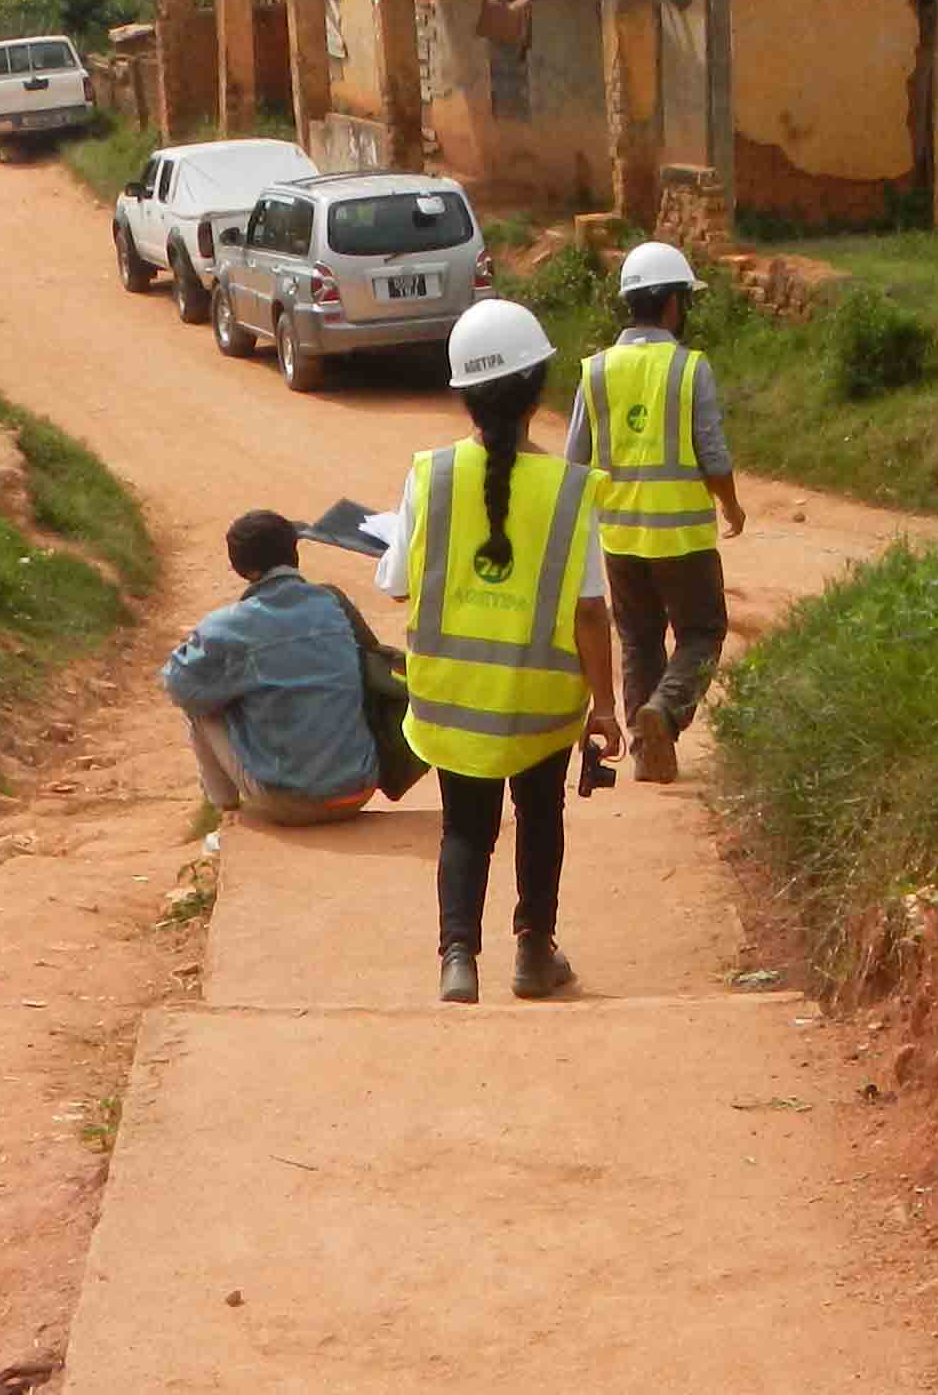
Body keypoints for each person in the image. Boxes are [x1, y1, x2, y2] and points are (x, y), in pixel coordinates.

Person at [383, 297, 618, 1005]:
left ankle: (459, 958)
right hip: (540, 704)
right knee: (540, 819)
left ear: (464, 400)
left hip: (452, 701)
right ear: (539, 390)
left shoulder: (430, 476)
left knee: (465, 829)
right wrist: (605, 707)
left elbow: (395, 585)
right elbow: (590, 612)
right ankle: (533, 952)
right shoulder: (570, 490)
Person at [561, 237, 745, 781]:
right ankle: (663, 712)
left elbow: (576, 462)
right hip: (683, 539)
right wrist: (731, 506)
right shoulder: (690, 369)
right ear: (671, 304)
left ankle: (648, 757)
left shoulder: (594, 371)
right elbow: (712, 453)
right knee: (703, 634)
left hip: (619, 538)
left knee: (639, 640)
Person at [159, 510, 386, 826]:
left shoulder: (229, 626)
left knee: (203, 702)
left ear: (242, 569)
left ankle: (224, 816)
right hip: (359, 789)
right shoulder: (331, 603)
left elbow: (178, 686)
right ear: (293, 553)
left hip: (289, 803)